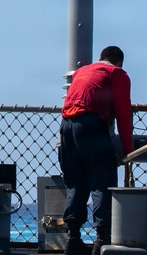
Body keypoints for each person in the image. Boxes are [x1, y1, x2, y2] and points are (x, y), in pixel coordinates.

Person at [59, 45, 134, 255]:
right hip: (91, 125)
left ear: (101, 58)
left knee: (75, 182)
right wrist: (127, 150)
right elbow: (122, 112)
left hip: (66, 126)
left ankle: (72, 239)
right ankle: (103, 240)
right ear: (119, 61)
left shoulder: (82, 72)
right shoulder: (117, 74)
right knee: (102, 181)